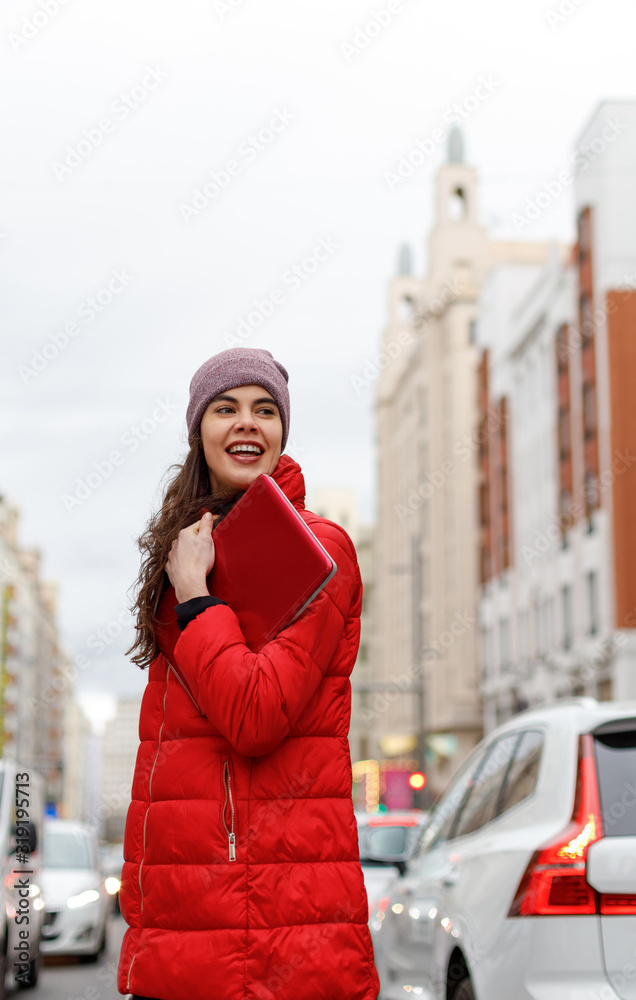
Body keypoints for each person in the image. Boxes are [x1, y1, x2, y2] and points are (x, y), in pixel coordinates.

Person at [117, 348, 380, 1000]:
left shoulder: (317, 547)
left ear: (283, 432)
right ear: (197, 429)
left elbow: (256, 716)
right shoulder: (189, 544)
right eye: (225, 408)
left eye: (265, 411)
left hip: (269, 931)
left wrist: (198, 602)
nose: (247, 424)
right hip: (187, 926)